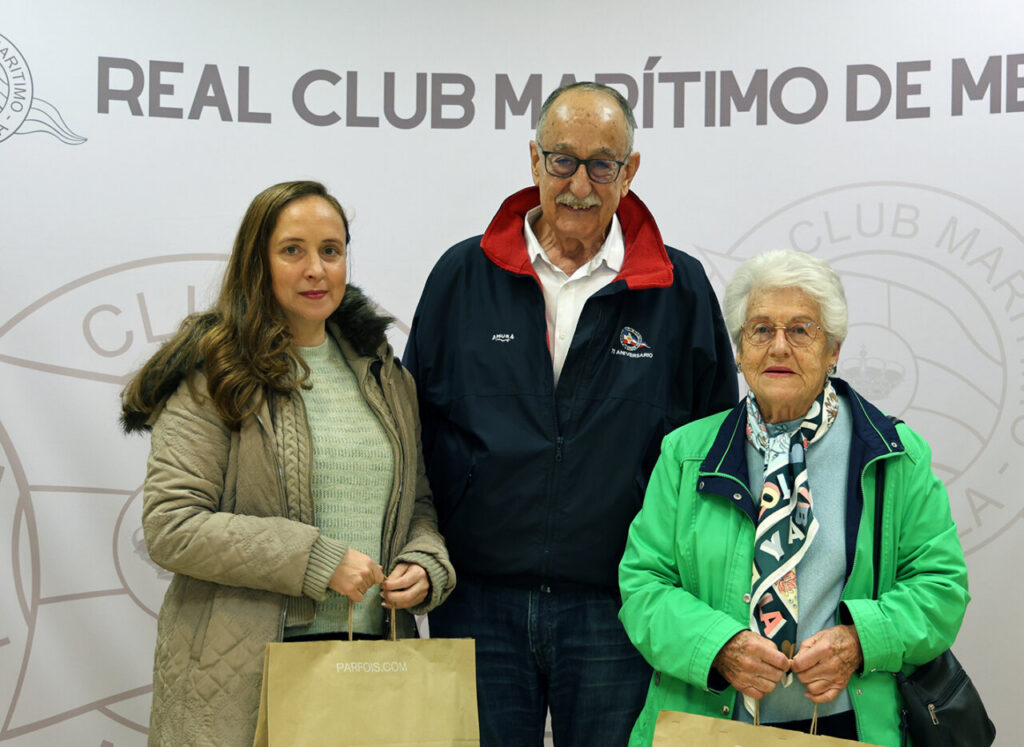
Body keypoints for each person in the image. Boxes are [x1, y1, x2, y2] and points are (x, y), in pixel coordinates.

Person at [403, 82, 738, 745]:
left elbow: (715, 451)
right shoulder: (461, 276)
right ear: (534, 161)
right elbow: (412, 431)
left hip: (620, 608)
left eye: (601, 163)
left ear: (629, 170)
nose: (579, 183)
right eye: (562, 160)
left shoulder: (680, 288)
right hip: (477, 601)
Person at [120, 180, 455, 747]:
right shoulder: (215, 372)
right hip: (244, 678)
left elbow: (417, 505)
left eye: (331, 250)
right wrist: (315, 561)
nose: (316, 269)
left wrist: (426, 564)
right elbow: (171, 526)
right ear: (258, 261)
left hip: (372, 660)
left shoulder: (386, 378)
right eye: (292, 250)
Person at [618, 249, 970, 746]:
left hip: (850, 726)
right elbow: (642, 585)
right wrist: (718, 646)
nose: (779, 347)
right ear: (739, 349)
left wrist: (858, 642)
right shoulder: (686, 454)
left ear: (834, 350)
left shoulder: (895, 455)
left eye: (802, 329)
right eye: (760, 330)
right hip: (710, 725)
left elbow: (940, 587)